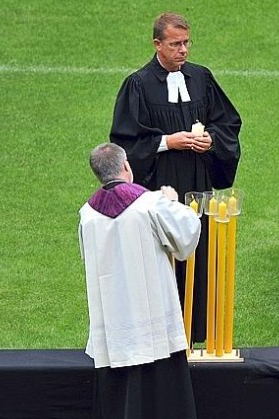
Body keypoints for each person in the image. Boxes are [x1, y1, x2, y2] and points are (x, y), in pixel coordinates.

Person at [110, 12, 242, 343]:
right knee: (161, 257)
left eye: (186, 43)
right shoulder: (138, 85)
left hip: (198, 183)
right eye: (175, 44)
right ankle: (158, 333)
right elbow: (125, 142)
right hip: (160, 185)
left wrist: (210, 139)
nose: (183, 50)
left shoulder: (201, 78)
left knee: (198, 253)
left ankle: (196, 330)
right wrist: (169, 142)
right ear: (157, 45)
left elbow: (227, 122)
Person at [79, 143, 201, 419]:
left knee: (122, 364)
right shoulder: (150, 203)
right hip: (150, 300)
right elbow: (186, 231)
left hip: (112, 305)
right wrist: (177, 204)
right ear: (126, 167)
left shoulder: (88, 213)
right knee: (158, 367)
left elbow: (87, 256)